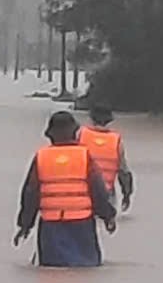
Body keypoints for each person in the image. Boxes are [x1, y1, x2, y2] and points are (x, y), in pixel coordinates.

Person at [14, 110, 116, 267]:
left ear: (49, 134)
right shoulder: (85, 156)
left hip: (51, 228)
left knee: (52, 270)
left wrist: (25, 225)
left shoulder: (41, 157)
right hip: (82, 226)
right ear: (75, 132)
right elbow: (98, 191)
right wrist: (108, 216)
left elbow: (30, 194)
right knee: (86, 271)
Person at [78, 105, 134, 211]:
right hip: (106, 196)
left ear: (90, 119)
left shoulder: (81, 135)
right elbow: (124, 172)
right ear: (110, 120)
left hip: (82, 194)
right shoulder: (116, 140)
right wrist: (126, 195)